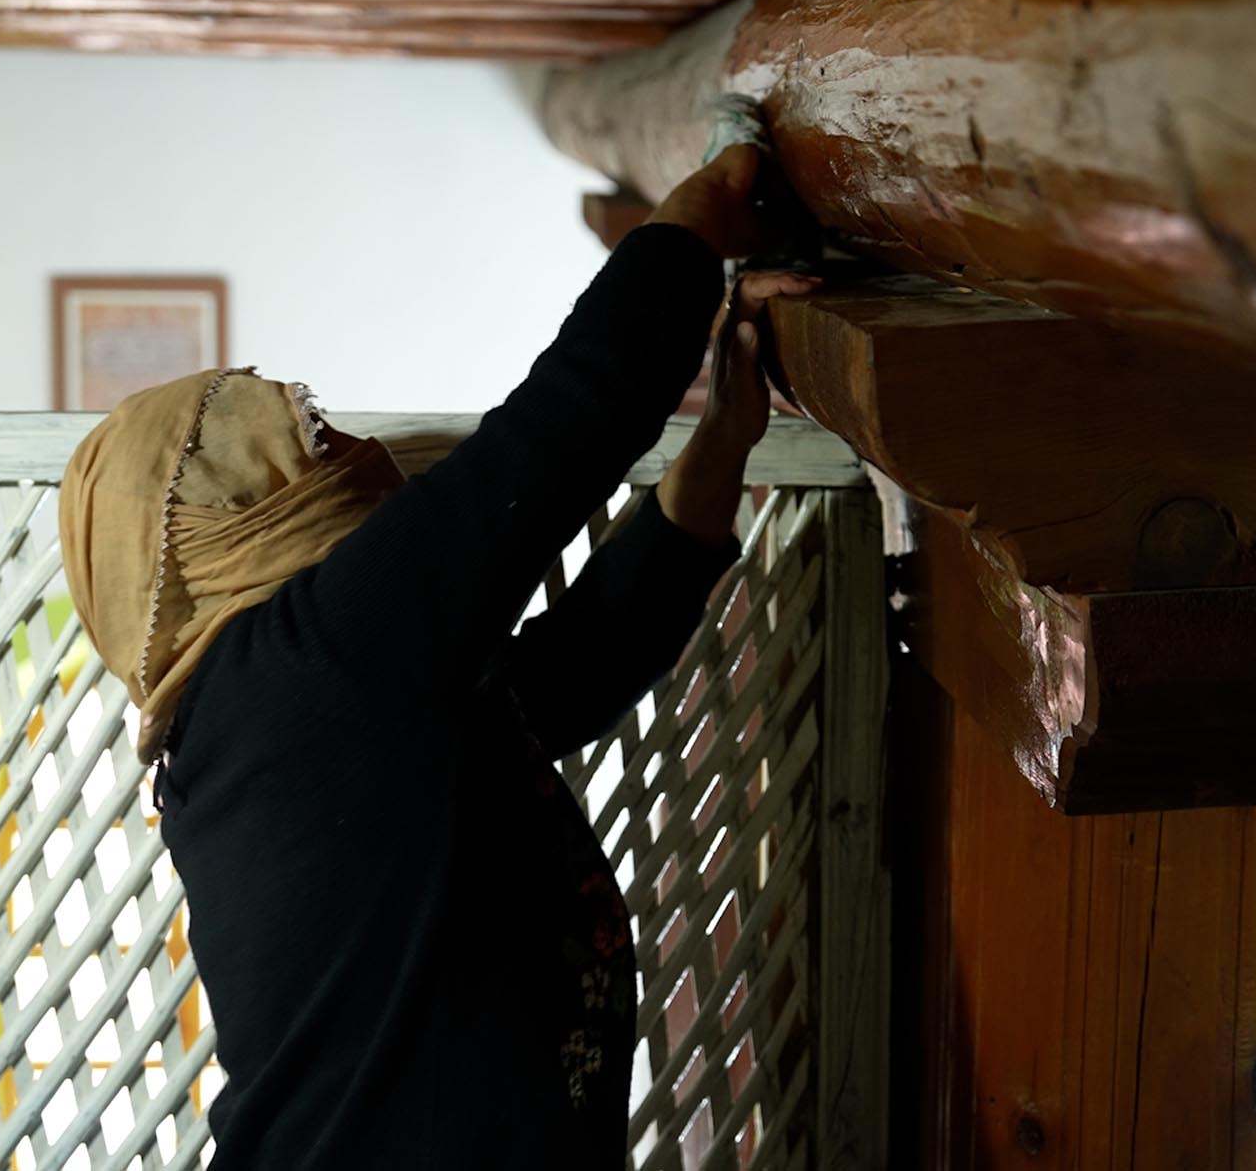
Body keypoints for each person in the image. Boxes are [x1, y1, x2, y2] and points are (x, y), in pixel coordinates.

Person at [56, 144, 818, 1167]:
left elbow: (574, 668)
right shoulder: (292, 678)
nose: (328, 449)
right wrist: (706, 205)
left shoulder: (293, 721)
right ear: (209, 531)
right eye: (282, 449)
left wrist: (722, 435)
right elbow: (562, 433)